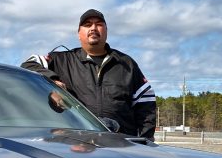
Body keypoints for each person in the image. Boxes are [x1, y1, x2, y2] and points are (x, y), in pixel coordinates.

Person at [21, 9, 156, 139]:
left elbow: (146, 102)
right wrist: (52, 83)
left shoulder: (126, 64)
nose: (93, 28)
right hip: (74, 145)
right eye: (87, 25)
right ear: (78, 33)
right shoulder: (61, 60)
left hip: (121, 146)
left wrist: (145, 141)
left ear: (106, 31)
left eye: (99, 24)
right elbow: (29, 64)